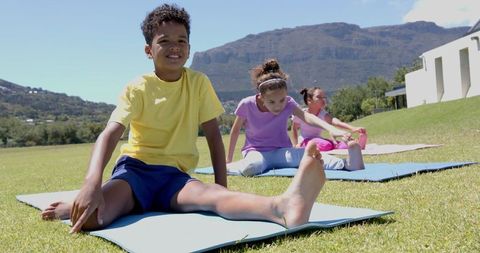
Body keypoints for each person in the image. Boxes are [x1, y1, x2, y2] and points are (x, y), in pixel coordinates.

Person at [41, 4, 327, 233]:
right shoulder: (137, 87)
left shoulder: (198, 83)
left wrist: (220, 186)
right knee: (90, 220)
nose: (175, 47)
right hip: (134, 173)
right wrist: (91, 183)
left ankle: (283, 207)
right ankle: (81, 203)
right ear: (148, 50)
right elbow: (111, 134)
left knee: (213, 198)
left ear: (189, 47)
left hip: (175, 178)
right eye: (164, 41)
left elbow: (214, 136)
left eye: (182, 40)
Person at [226, 59, 363, 177]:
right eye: (272, 102)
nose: (278, 106)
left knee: (307, 155)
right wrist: (228, 161)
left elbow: (306, 117)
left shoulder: (289, 102)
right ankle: (229, 168)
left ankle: (347, 164)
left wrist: (331, 129)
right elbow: (235, 131)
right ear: (261, 97)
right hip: (256, 152)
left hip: (283, 151)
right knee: (251, 168)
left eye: (281, 100)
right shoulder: (247, 104)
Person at [291, 87, 367, 151]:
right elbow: (294, 128)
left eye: (323, 97)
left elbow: (336, 122)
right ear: (309, 100)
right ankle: (305, 147)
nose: (323, 100)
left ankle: (357, 146)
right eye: (319, 97)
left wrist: (353, 128)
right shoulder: (302, 114)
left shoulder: (322, 114)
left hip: (318, 140)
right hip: (304, 141)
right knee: (326, 144)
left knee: (337, 144)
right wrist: (295, 145)